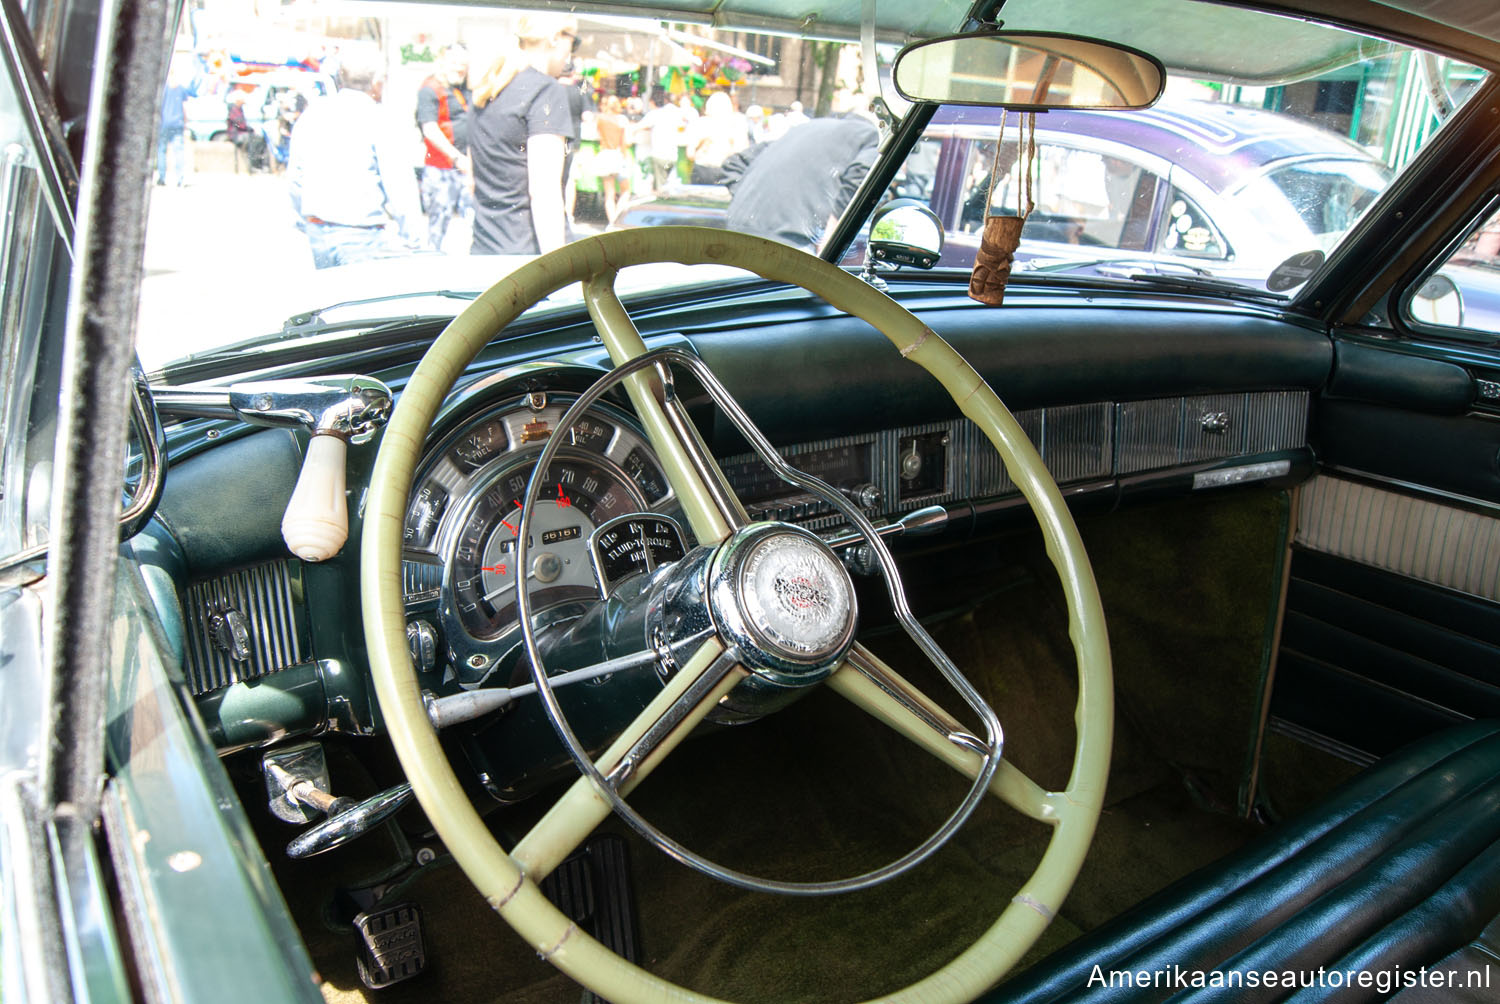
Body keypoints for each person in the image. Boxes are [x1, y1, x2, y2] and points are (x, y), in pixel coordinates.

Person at [287, 48, 423, 269]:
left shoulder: (314, 113)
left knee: (329, 300)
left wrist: (302, 220)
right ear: (377, 82)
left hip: (318, 230)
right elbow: (399, 186)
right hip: (361, 234)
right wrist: (415, 239)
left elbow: (295, 178)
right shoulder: (379, 118)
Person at [467, 15, 578, 255]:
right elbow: (544, 192)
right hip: (527, 263)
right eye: (574, 42)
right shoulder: (546, 92)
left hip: (484, 250)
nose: (572, 52)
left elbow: (472, 179)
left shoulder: (487, 90)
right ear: (555, 38)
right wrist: (558, 272)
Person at [721, 91, 880, 253]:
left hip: (738, 228)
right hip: (789, 240)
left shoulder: (806, 128)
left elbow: (734, 163)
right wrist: (830, 241)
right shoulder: (872, 137)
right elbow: (860, 181)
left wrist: (752, 200)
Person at [416, 43, 473, 251]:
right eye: (455, 63)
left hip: (466, 169)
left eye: (463, 64)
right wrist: (457, 157)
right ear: (442, 62)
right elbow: (429, 128)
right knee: (438, 226)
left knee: (472, 221)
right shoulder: (430, 89)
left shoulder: (464, 88)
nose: (460, 68)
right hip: (441, 169)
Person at [684, 90, 747, 184]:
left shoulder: (699, 124)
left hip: (701, 171)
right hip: (725, 172)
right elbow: (741, 152)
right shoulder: (735, 125)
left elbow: (690, 154)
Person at [156, 57, 196, 186]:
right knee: (178, 151)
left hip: (164, 123)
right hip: (177, 123)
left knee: (161, 150)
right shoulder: (181, 88)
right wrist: (186, 121)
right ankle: (180, 178)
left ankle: (162, 177)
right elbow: (184, 107)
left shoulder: (163, 89)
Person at [637, 87, 684, 190]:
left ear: (652, 101)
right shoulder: (675, 112)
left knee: (660, 188)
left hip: (660, 155)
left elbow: (638, 127)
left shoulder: (654, 114)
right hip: (673, 155)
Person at [594, 94, 631, 223]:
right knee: (625, 191)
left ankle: (612, 222)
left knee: (609, 195)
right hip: (617, 156)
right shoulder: (622, 120)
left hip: (604, 156)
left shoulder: (600, 119)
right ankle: (618, 219)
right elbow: (626, 142)